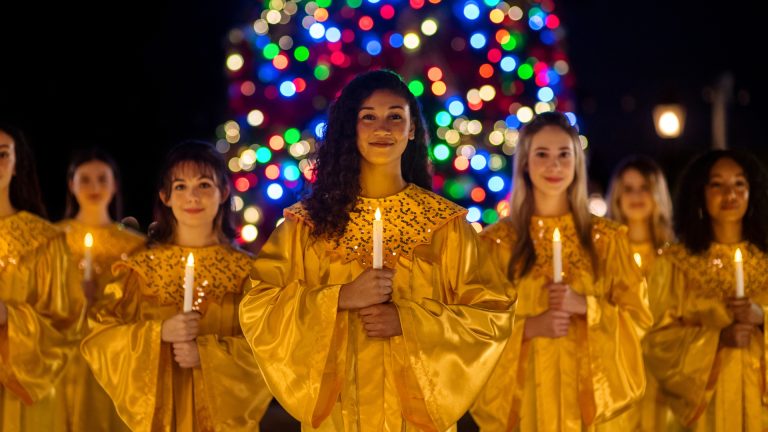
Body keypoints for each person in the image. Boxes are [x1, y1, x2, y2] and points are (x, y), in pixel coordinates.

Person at [240, 69, 513, 431]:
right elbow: (259, 305)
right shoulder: (306, 225)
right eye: (368, 117)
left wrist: (410, 322)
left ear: (412, 128)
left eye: (395, 117)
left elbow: (490, 315)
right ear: (349, 128)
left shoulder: (445, 226)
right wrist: (339, 298)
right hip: (339, 416)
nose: (382, 127)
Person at [471, 112, 652, 431]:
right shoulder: (495, 244)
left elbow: (637, 319)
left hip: (587, 409)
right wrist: (527, 328)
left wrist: (587, 307)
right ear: (525, 162)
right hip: (524, 405)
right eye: (542, 154)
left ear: (577, 163)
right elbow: (473, 328)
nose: (554, 165)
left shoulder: (607, 241)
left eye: (564, 155)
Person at [81, 141, 271, 431]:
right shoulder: (138, 271)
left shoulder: (250, 274)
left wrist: (209, 356)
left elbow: (272, 350)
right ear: (165, 196)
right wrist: (158, 333)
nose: (192, 196)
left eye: (204, 184)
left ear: (223, 192)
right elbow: (99, 338)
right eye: (180, 186)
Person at [644, 149, 768, 431]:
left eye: (740, 183)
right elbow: (655, 342)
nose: (730, 193)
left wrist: (761, 317)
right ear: (700, 193)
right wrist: (717, 339)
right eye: (717, 184)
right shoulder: (674, 264)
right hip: (705, 413)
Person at [0, 122, 83, 431]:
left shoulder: (45, 240)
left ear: (17, 163)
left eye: (2, 154)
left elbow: (67, 323)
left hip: (25, 393)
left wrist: (12, 318)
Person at [55, 148, 145, 431]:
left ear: (115, 184)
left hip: (114, 360)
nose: (94, 187)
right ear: (71, 184)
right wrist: (72, 295)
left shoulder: (135, 246)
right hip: (62, 357)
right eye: (85, 179)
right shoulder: (53, 239)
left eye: (102, 179)